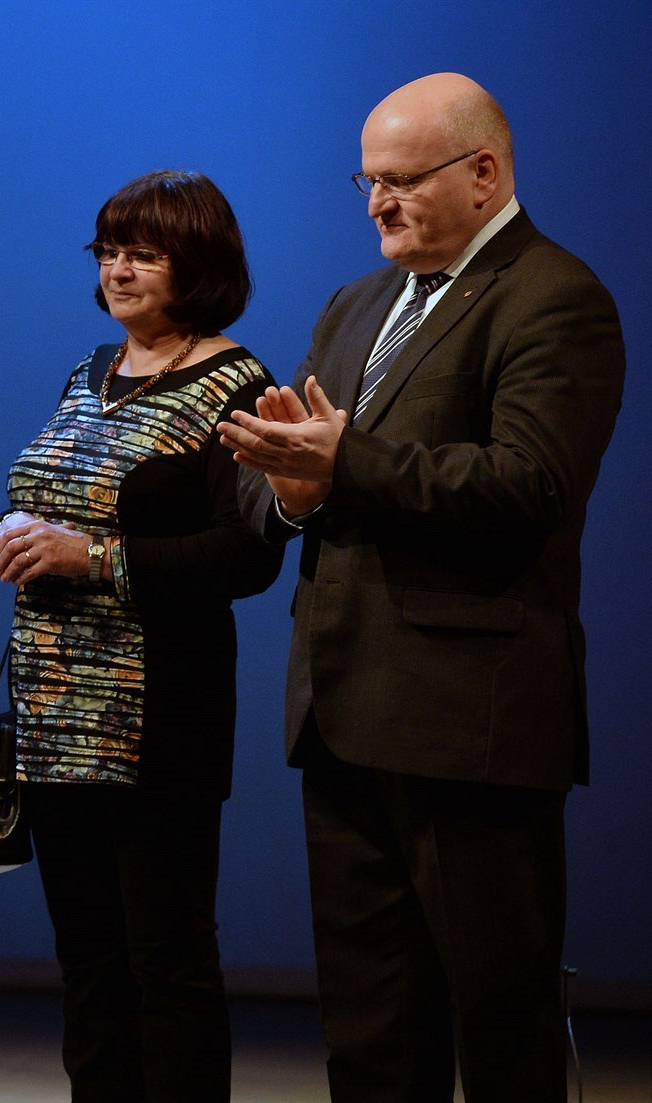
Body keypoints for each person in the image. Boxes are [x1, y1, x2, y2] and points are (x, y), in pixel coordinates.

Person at [217, 73, 624, 1103]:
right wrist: (290, 492)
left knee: (500, 1026)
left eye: (401, 181)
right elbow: (294, 480)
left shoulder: (555, 296)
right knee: (370, 1031)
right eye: (367, 182)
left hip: (469, 727)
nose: (377, 205)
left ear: (484, 172)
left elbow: (528, 485)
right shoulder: (356, 304)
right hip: (342, 713)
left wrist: (343, 462)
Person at [0, 169, 284, 1102]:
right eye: (108, 251)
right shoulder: (90, 371)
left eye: (143, 254)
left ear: (196, 264)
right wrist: (13, 532)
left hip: (158, 723)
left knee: (168, 963)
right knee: (90, 964)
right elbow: (61, 498)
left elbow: (248, 554)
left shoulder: (239, 385)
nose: (117, 270)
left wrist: (93, 558)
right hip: (55, 719)